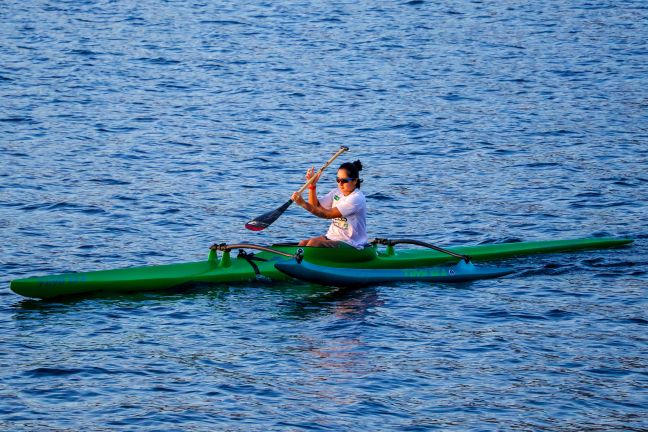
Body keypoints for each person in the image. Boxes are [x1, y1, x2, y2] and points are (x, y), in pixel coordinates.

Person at [291, 160, 367, 249]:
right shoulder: (336, 192)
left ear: (355, 181)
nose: (340, 184)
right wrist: (312, 186)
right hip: (332, 237)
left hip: (351, 243)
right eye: (338, 180)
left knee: (314, 244)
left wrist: (303, 204)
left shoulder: (356, 198)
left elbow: (327, 214)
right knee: (303, 243)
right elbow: (315, 206)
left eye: (344, 181)